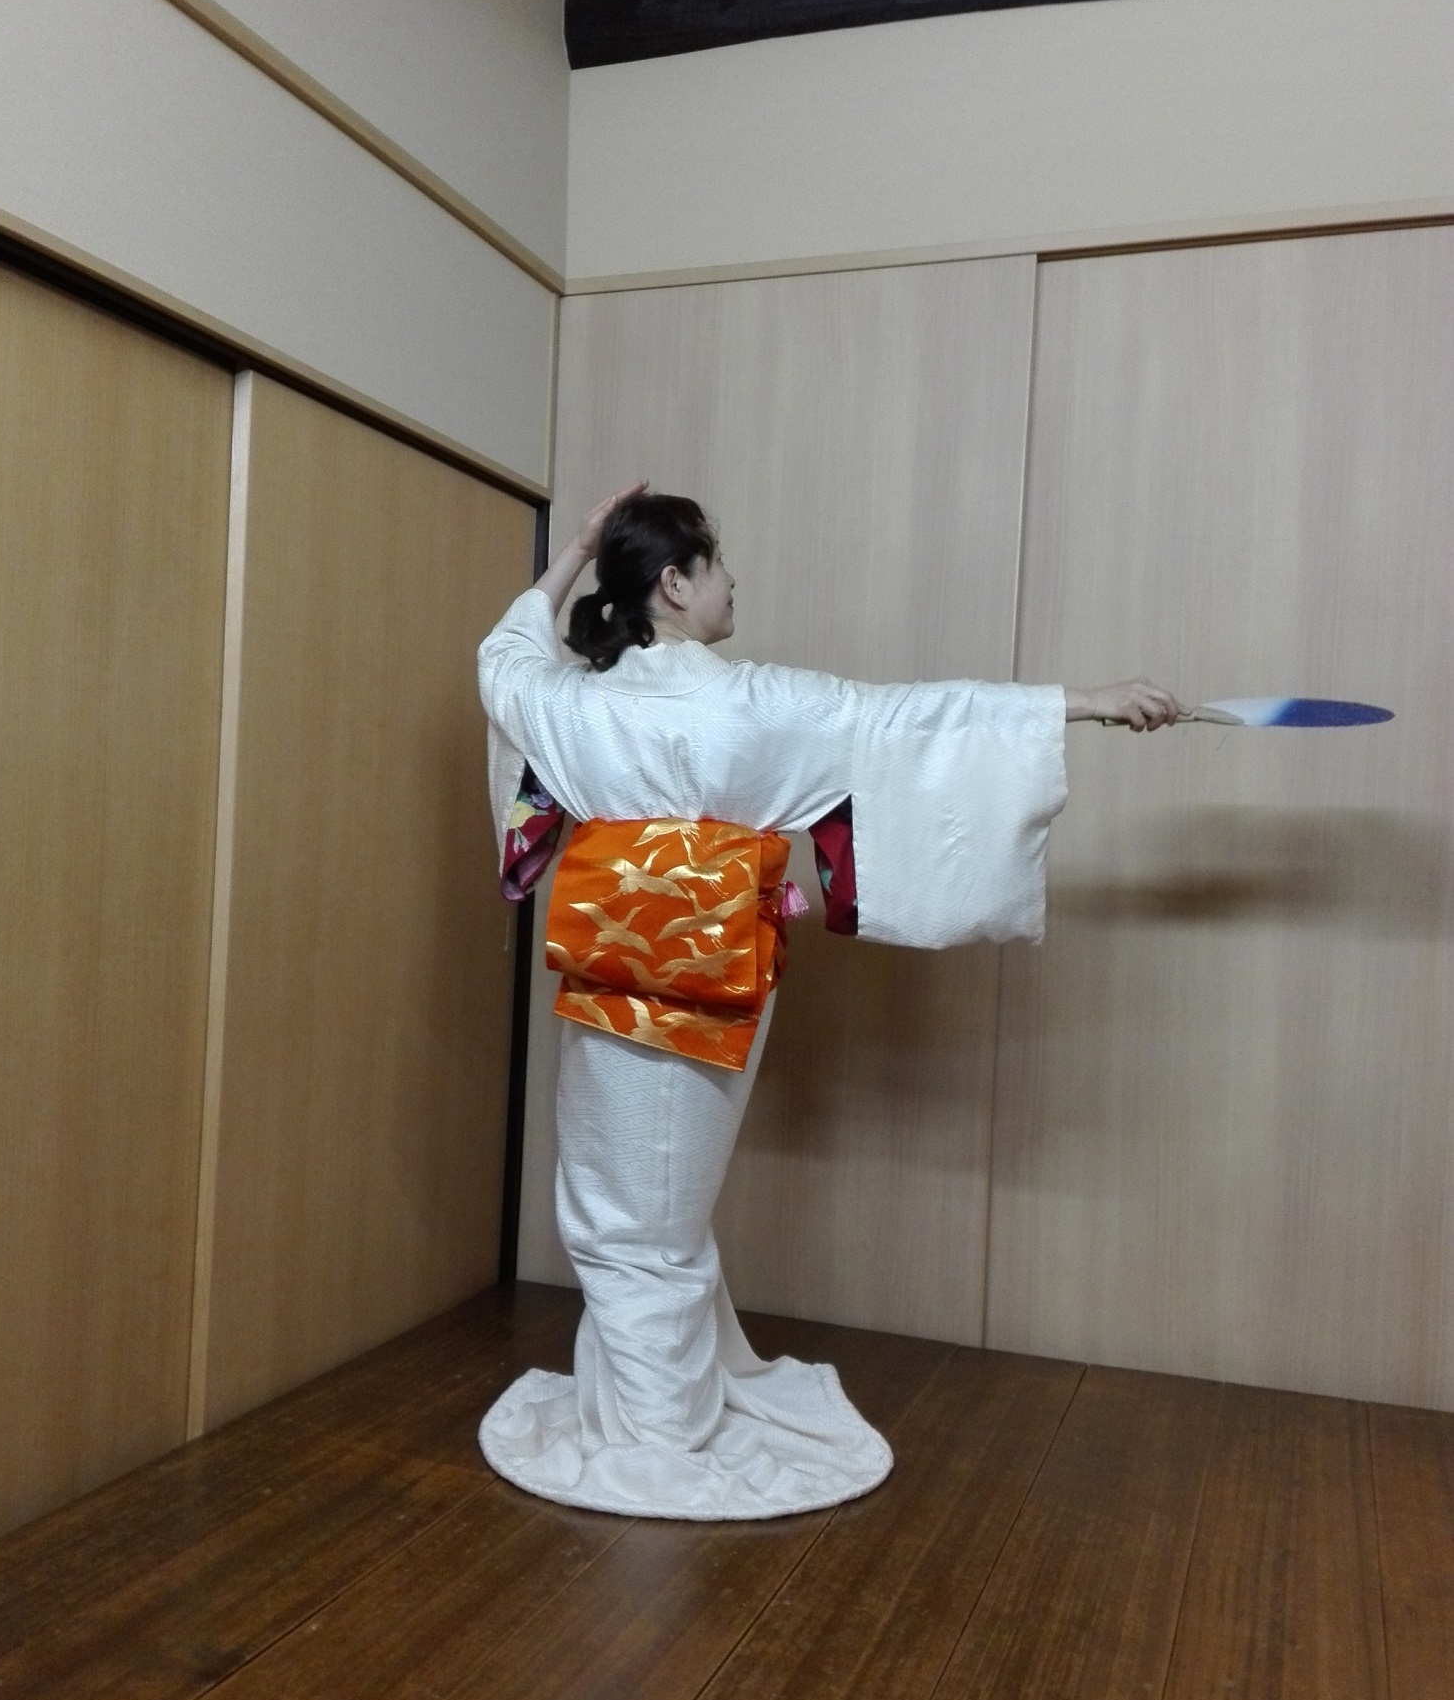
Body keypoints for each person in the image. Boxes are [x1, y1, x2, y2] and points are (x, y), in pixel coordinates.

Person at [476, 484, 1179, 1520]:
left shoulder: (575, 705)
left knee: (620, 1215)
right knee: (655, 1217)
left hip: (611, 979)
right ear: (675, 584)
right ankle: (661, 1420)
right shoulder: (758, 704)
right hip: (715, 989)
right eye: (716, 564)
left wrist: (577, 548)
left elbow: (504, 656)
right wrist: (1083, 699)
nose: (733, 582)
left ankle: (654, 1428)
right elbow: (917, 716)